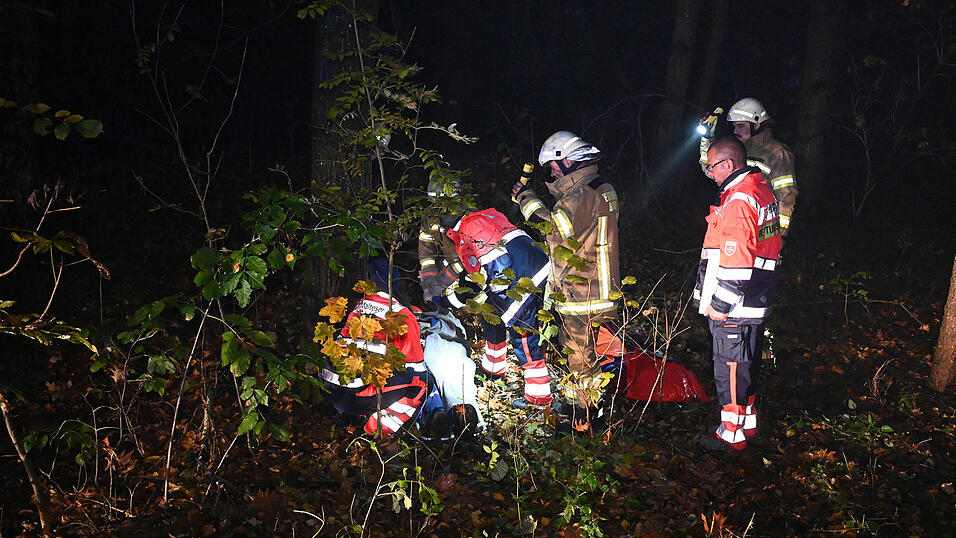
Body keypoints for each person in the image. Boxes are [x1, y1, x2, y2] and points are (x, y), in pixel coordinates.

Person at [513, 131, 620, 433]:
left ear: (569, 161)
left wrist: (525, 199)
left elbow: (553, 229)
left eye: (552, 168)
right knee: (577, 353)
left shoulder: (581, 194)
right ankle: (577, 405)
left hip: (581, 288)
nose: (552, 175)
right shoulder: (598, 187)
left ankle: (585, 420)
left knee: (579, 358)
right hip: (594, 286)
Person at [693, 137, 782, 451]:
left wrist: (720, 302)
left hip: (736, 303)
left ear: (728, 165)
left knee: (730, 366)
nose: (710, 173)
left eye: (713, 166)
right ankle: (748, 425)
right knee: (748, 363)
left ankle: (731, 437)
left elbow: (737, 257)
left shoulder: (740, 200)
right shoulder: (760, 189)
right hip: (757, 296)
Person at [442, 208, 553, 408]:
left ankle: (538, 397)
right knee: (490, 313)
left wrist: (492, 295)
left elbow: (497, 267)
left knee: (522, 331)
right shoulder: (480, 217)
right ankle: (493, 370)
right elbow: (482, 270)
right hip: (533, 265)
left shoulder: (470, 227)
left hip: (522, 276)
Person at [320, 258, 443, 437]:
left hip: (330, 389)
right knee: (423, 381)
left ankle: (357, 417)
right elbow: (416, 365)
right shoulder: (402, 315)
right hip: (356, 395)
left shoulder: (357, 307)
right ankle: (377, 432)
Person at [699, 98, 798, 237]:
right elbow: (711, 171)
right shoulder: (737, 150)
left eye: (740, 126)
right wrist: (706, 139)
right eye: (734, 126)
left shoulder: (778, 154)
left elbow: (786, 197)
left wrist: (776, 237)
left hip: (760, 231)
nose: (735, 131)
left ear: (756, 125)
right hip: (733, 226)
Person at [418, 178, 467, 305]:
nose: (438, 210)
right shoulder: (430, 216)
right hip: (446, 276)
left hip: (469, 279)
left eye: (443, 204)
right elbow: (426, 254)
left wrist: (437, 286)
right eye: (435, 203)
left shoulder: (470, 218)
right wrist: (429, 287)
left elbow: (465, 263)